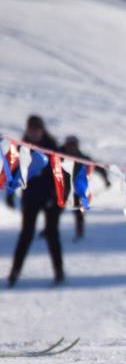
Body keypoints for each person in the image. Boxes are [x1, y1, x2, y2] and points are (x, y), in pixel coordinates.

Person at [6, 116, 70, 287]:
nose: (33, 133)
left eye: (36, 129)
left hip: (51, 198)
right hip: (31, 197)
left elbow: (60, 174)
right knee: (26, 234)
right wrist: (10, 194)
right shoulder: (22, 147)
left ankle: (59, 271)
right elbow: (14, 171)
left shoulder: (52, 147)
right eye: (31, 129)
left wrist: (57, 196)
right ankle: (14, 272)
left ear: (42, 129)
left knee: (52, 234)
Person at [60, 135, 110, 241]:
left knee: (79, 213)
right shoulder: (59, 156)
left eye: (73, 145)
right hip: (62, 190)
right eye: (70, 145)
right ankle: (48, 230)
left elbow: (97, 168)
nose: (71, 147)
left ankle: (80, 232)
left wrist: (106, 179)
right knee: (54, 212)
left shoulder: (82, 158)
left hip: (78, 190)